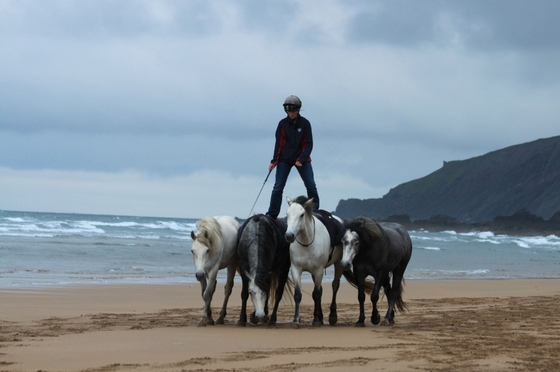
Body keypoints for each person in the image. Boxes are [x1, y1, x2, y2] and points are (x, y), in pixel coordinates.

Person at [266, 95, 320, 219]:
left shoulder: (305, 123)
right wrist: (274, 161)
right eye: (289, 111)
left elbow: (309, 143)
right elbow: (278, 143)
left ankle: (315, 210)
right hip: (285, 159)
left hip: (302, 159)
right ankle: (272, 214)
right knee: (278, 186)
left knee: (311, 185)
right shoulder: (282, 124)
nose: (291, 113)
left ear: (298, 110)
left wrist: (301, 159)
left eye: (293, 111)